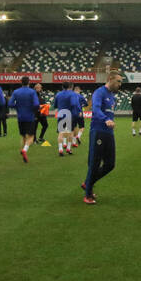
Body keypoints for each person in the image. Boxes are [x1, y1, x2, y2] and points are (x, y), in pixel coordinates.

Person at [81, 71, 125, 204]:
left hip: (109, 133)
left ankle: (88, 182)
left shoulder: (112, 97)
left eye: (121, 82)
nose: (120, 84)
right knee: (94, 163)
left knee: (110, 164)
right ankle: (88, 194)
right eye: (118, 81)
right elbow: (95, 108)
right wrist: (105, 119)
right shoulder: (99, 92)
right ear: (110, 79)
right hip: (98, 131)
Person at [8, 76, 40, 162]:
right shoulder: (32, 92)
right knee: (31, 137)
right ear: (29, 82)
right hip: (29, 116)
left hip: (20, 117)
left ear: (21, 82)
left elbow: (10, 104)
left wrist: (18, 106)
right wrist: (33, 109)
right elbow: (36, 104)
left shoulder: (16, 92)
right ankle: (24, 150)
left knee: (23, 135)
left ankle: (22, 151)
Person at [54, 82, 80, 156]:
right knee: (70, 132)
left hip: (61, 113)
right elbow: (73, 104)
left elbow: (55, 105)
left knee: (61, 132)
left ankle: (60, 149)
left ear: (62, 87)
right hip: (69, 113)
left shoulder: (58, 94)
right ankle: (68, 148)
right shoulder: (72, 94)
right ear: (70, 87)